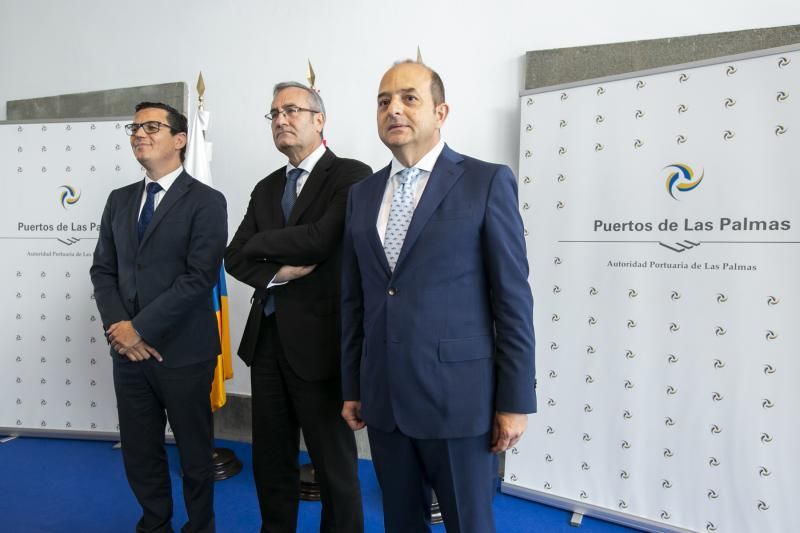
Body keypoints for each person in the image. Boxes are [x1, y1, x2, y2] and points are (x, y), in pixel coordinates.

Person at [340, 61, 537, 533]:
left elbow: (513, 300)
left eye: (409, 98)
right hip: (384, 397)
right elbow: (355, 299)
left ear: (441, 111)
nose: (394, 109)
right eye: (384, 100)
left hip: (458, 400)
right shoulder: (361, 194)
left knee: (469, 524)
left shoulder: (485, 182)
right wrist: (353, 386)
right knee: (400, 523)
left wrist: (514, 400)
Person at [224, 82, 371, 533]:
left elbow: (322, 238)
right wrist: (278, 271)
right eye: (273, 114)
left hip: (323, 347)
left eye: (291, 110)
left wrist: (260, 245)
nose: (281, 120)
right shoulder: (267, 186)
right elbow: (233, 256)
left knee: (335, 469)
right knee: (270, 461)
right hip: (266, 344)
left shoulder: (350, 174)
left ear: (319, 119)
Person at [90, 101, 227, 533]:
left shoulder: (206, 201)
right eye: (134, 127)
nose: (140, 134)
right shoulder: (118, 201)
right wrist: (120, 332)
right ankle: (154, 523)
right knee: (140, 450)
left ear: (180, 140)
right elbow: (103, 270)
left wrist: (140, 328)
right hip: (127, 356)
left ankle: (200, 526)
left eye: (152, 126)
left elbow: (199, 276)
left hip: (183, 354)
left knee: (194, 453)